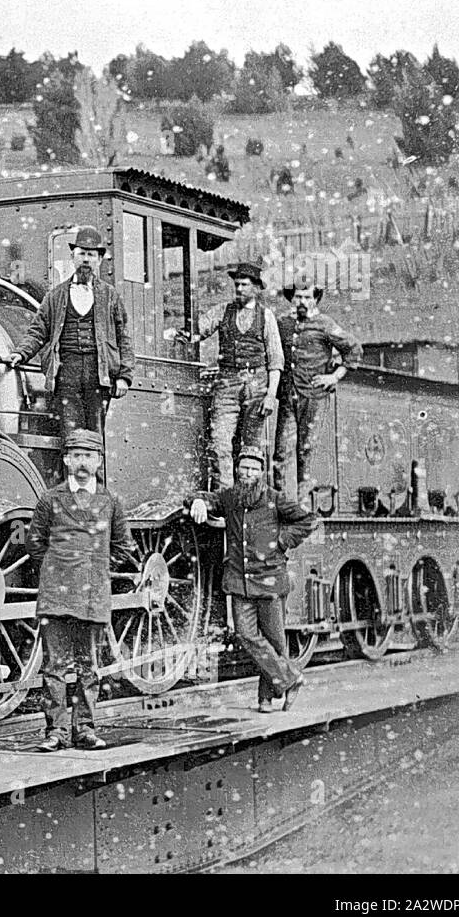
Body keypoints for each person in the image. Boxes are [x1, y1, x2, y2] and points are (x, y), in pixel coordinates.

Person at [26, 428, 135, 751]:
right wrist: (57, 567)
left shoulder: (111, 501)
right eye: (77, 456)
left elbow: (124, 545)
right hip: (56, 595)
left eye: (88, 456)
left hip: (92, 595)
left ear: (98, 462)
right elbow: (35, 543)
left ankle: (85, 729)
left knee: (89, 667)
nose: (83, 463)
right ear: (66, 461)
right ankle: (56, 731)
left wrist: (97, 566)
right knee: (54, 668)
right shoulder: (50, 499)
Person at [188, 446, 317, 712]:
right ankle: (291, 679)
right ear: (237, 470)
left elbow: (308, 520)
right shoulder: (231, 498)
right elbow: (207, 498)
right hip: (239, 581)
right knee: (246, 635)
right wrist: (198, 502)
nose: (247, 473)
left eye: (253, 468)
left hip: (270, 580)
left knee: (275, 642)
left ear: (261, 472)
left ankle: (265, 698)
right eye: (243, 468)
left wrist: (282, 542)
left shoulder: (275, 499)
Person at [4, 224, 134, 438]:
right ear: (73, 257)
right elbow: (38, 331)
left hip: (99, 373)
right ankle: (71, 472)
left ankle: (95, 472)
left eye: (91, 255)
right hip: (66, 372)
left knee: (94, 437)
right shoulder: (55, 296)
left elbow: (124, 338)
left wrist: (124, 377)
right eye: (81, 254)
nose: (86, 260)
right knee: (70, 436)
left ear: (99, 260)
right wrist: (21, 353)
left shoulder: (110, 296)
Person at [185, 260, 284, 491]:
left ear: (256, 288)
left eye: (244, 285)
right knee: (220, 443)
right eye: (237, 285)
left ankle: (250, 498)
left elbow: (276, 360)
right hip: (227, 383)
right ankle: (225, 497)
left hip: (257, 385)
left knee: (251, 447)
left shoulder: (266, 316)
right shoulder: (223, 311)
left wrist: (270, 395)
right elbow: (198, 331)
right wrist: (184, 333)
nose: (239, 289)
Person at [272, 284, 363, 500]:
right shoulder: (283, 322)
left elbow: (354, 348)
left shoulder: (325, 324)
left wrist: (334, 376)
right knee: (281, 452)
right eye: (297, 297)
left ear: (315, 300)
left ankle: (302, 503)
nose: (302, 301)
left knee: (306, 450)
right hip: (288, 394)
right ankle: (281, 503)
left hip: (313, 396)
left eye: (306, 297)